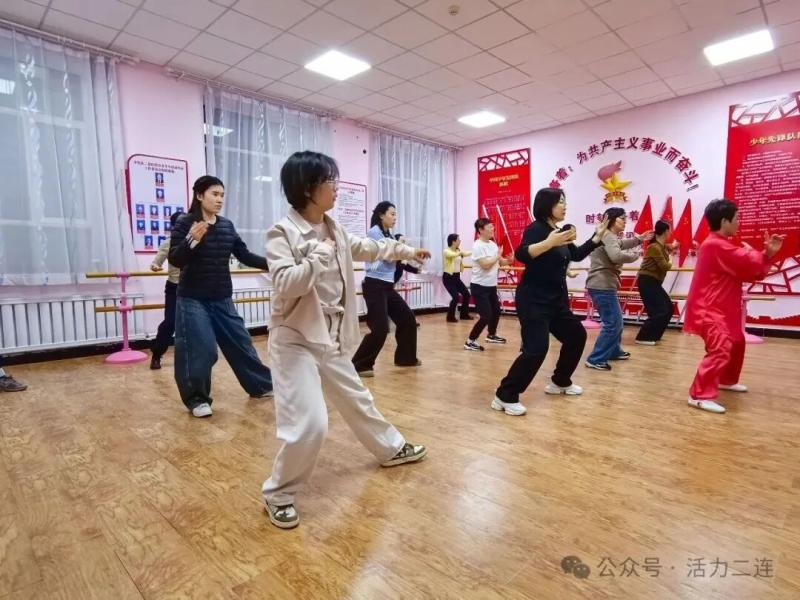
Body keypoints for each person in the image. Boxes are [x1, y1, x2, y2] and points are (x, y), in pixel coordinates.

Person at [262, 151, 430, 529]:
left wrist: (407, 250)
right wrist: (317, 257)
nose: (336, 188)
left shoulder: (333, 228)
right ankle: (279, 493)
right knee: (310, 423)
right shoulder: (282, 233)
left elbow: (369, 247)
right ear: (308, 188)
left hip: (330, 334)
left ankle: (390, 448)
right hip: (295, 339)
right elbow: (286, 284)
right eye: (330, 181)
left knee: (357, 397)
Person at [493, 188, 608, 416]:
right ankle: (504, 395)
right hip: (534, 300)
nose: (565, 206)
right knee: (536, 349)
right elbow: (522, 254)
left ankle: (560, 381)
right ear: (547, 205)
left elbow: (575, 254)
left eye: (565, 201)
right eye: (560, 202)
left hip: (556, 301)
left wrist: (597, 237)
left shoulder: (558, 231)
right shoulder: (536, 229)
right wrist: (548, 243)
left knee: (576, 336)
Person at [168, 176, 273, 418]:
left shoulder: (226, 225)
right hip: (193, 299)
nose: (219, 199)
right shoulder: (186, 223)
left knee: (241, 343)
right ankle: (197, 399)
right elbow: (175, 259)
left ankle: (261, 385)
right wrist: (191, 240)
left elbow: (244, 255)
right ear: (199, 196)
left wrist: (275, 264)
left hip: (222, 297)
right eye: (214, 194)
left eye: (222, 195)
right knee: (203, 349)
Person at [684, 199, 784, 414]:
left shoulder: (722, 245)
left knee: (737, 341)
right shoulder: (714, 245)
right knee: (720, 348)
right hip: (709, 308)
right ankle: (699, 395)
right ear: (724, 221)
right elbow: (748, 262)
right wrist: (764, 254)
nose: (739, 223)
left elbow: (748, 269)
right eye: (736, 219)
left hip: (723, 307)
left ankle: (726, 380)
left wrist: (764, 255)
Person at [352, 202, 421, 377]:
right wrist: (405, 251)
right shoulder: (374, 232)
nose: (395, 217)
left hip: (387, 286)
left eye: (396, 214)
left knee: (407, 320)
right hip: (374, 285)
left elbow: (394, 254)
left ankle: (406, 358)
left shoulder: (387, 234)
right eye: (392, 214)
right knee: (380, 329)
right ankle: (359, 365)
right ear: (381, 215)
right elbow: (387, 255)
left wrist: (406, 254)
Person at [584, 207, 652, 371]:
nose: (625, 221)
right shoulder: (606, 235)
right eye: (622, 218)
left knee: (615, 321)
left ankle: (613, 351)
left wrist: (639, 239)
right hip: (601, 285)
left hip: (604, 284)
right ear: (611, 220)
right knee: (613, 323)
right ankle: (595, 359)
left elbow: (620, 244)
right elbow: (616, 256)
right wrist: (635, 254)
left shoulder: (609, 236)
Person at [464, 218, 512, 351]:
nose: (493, 229)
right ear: (480, 230)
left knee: (496, 311)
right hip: (479, 287)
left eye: (493, 227)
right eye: (490, 227)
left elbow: (500, 261)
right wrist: (498, 256)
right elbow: (485, 265)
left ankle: (491, 335)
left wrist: (508, 260)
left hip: (491, 286)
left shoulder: (492, 244)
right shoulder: (477, 246)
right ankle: (470, 341)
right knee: (486, 316)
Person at [149, 211, 183, 369]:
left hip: (193, 287)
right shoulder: (168, 243)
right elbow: (157, 261)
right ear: (174, 226)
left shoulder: (195, 240)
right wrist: (155, 266)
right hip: (174, 287)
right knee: (170, 322)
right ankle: (156, 354)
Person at [635, 220, 675, 345]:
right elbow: (665, 266)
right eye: (670, 230)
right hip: (647, 281)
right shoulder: (654, 247)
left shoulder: (660, 246)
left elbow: (668, 248)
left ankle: (654, 335)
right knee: (660, 310)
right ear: (666, 231)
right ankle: (643, 337)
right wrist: (671, 260)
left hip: (654, 282)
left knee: (668, 308)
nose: (671, 233)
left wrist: (673, 247)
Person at [393, 233, 422, 328]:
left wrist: (416, 270)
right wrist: (404, 262)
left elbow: (405, 267)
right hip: (384, 287)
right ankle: (410, 321)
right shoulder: (392, 255)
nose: (404, 245)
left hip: (389, 287)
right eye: (402, 242)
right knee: (399, 306)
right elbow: (399, 268)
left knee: (400, 306)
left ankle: (410, 321)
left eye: (404, 242)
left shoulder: (401, 257)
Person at [442, 233, 472, 322]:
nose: (460, 241)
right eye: (458, 240)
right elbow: (452, 255)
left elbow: (466, 253)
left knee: (466, 294)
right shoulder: (446, 251)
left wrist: (475, 251)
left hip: (456, 277)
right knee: (455, 297)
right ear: (453, 241)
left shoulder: (458, 250)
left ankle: (464, 315)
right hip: (448, 278)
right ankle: (450, 317)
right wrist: (460, 253)